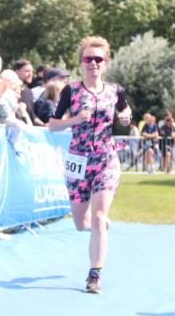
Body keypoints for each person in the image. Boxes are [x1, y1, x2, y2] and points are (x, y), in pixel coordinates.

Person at [48, 36, 131, 294]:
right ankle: (99, 226)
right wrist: (74, 120)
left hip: (106, 158)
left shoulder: (116, 91)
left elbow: (125, 118)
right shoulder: (70, 91)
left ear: (105, 63)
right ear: (81, 63)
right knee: (80, 223)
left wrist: (126, 119)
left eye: (98, 59)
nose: (93, 63)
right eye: (88, 59)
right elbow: (53, 124)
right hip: (78, 160)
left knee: (97, 217)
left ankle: (94, 275)